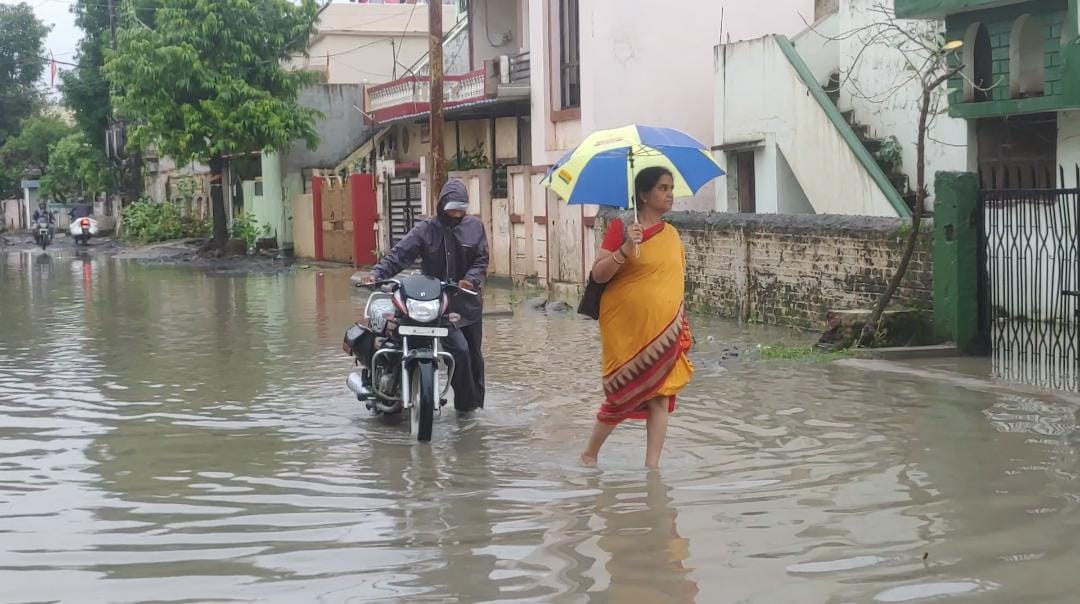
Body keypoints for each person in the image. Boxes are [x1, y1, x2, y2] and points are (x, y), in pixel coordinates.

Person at [580, 167, 694, 469]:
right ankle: (589, 454)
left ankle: (652, 469)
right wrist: (627, 246)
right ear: (643, 194)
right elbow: (598, 274)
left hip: (663, 327)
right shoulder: (621, 228)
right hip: (625, 330)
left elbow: (675, 282)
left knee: (660, 397)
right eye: (662, 188)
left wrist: (680, 321)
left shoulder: (671, 234)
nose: (669, 194)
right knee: (621, 394)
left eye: (671, 188)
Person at [363, 178, 489, 414]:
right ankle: (405, 384)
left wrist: (469, 279)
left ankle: (468, 410)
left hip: (467, 303)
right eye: (452, 208)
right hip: (436, 304)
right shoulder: (426, 229)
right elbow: (400, 254)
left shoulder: (475, 227)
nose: (457, 213)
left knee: (472, 357)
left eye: (461, 209)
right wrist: (377, 273)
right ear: (442, 206)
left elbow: (481, 260)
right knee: (458, 350)